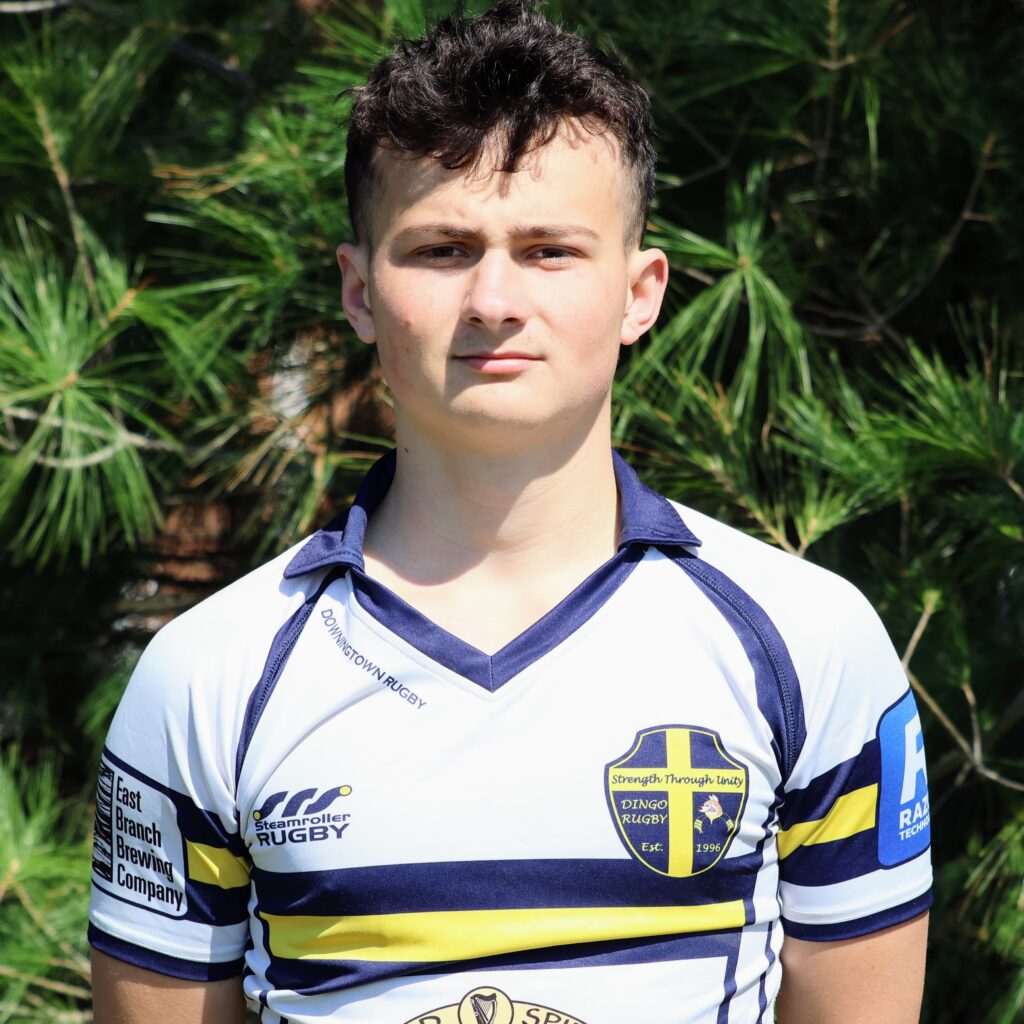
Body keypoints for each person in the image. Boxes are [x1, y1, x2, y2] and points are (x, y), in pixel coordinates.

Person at [88, 3, 932, 1022]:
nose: (493, 299)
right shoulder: (206, 679)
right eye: (442, 249)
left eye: (549, 250)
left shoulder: (807, 645)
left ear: (641, 291)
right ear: (358, 291)